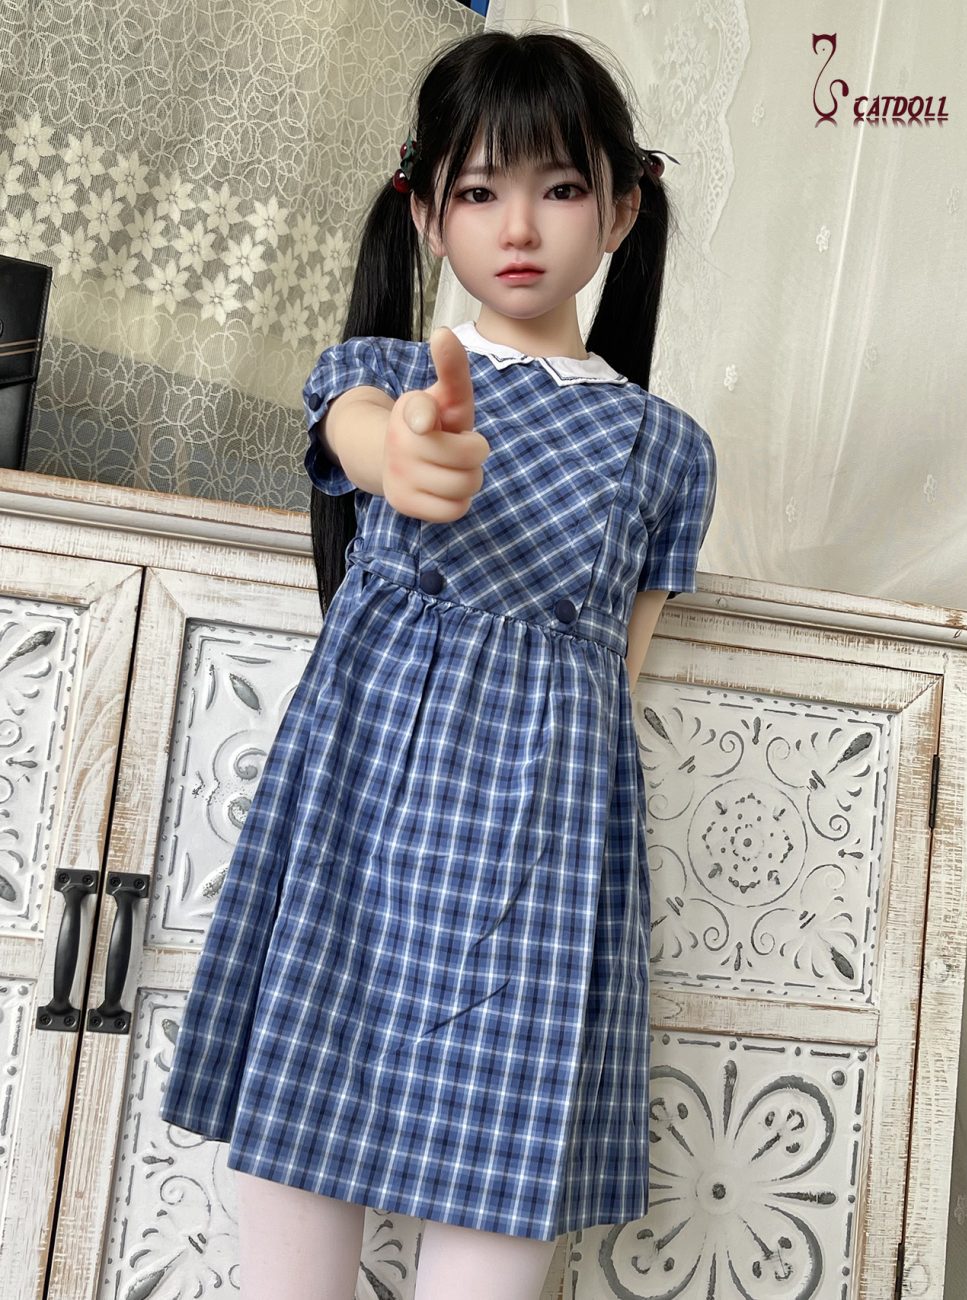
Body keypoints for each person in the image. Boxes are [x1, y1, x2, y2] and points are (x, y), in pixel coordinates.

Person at [158, 26, 717, 1300]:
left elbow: (617, 678)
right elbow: (369, 436)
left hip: (542, 859)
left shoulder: (668, 449)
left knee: (503, 1215)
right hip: (357, 825)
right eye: (477, 191)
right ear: (425, 212)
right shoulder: (385, 379)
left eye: (560, 186)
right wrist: (409, 452)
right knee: (296, 1168)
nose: (518, 226)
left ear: (623, 208)